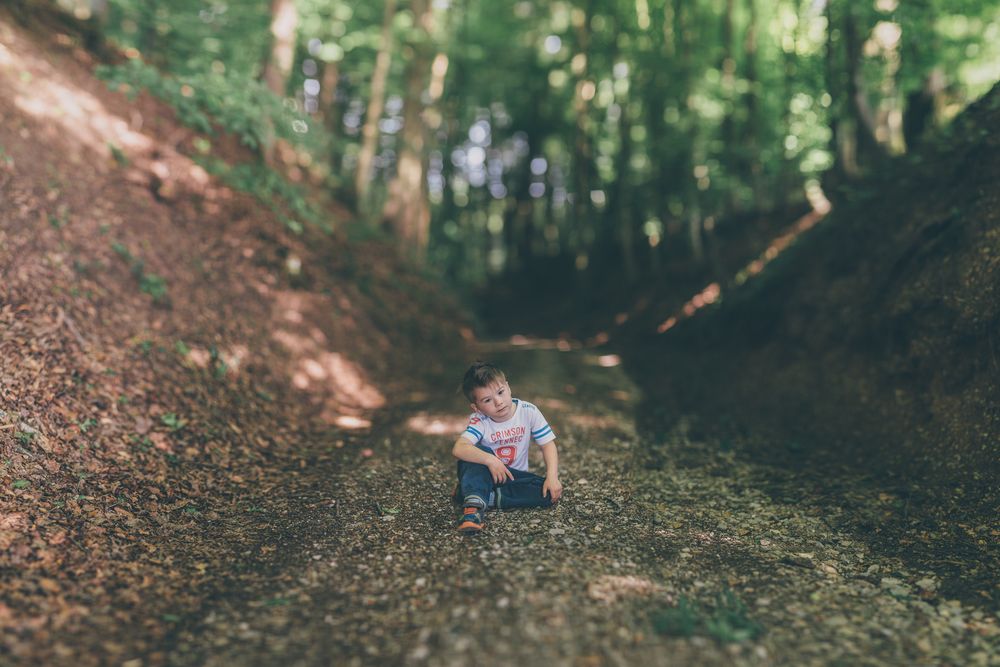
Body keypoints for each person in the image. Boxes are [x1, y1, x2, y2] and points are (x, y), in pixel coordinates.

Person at [451, 361, 563, 535]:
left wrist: (552, 477)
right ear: (477, 408)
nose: (498, 402)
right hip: (485, 473)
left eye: (501, 392)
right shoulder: (480, 420)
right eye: (487, 400)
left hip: (513, 477)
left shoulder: (528, 411)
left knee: (547, 492)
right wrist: (490, 460)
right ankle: (473, 509)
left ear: (508, 388)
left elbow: (548, 444)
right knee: (477, 453)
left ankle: (477, 495)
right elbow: (459, 448)